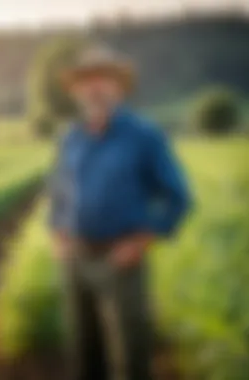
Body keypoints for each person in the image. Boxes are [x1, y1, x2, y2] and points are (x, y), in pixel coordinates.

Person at [49, 44, 192, 380]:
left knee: (132, 357)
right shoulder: (71, 137)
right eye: (87, 80)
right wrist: (58, 231)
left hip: (122, 260)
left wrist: (142, 241)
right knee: (85, 354)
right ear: (75, 89)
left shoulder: (144, 136)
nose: (95, 87)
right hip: (76, 259)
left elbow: (177, 196)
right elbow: (58, 190)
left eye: (104, 78)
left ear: (119, 86)